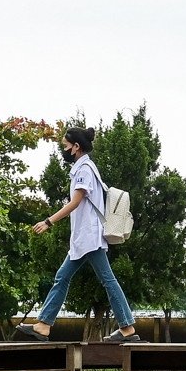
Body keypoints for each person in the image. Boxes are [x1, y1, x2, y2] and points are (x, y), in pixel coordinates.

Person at [15, 127, 144, 344]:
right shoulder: (84, 167)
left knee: (105, 280)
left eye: (65, 146)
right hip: (84, 237)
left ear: (76, 147)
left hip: (89, 236)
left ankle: (127, 329)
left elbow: (75, 202)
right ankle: (44, 325)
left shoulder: (84, 169)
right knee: (64, 277)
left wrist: (48, 221)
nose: (63, 150)